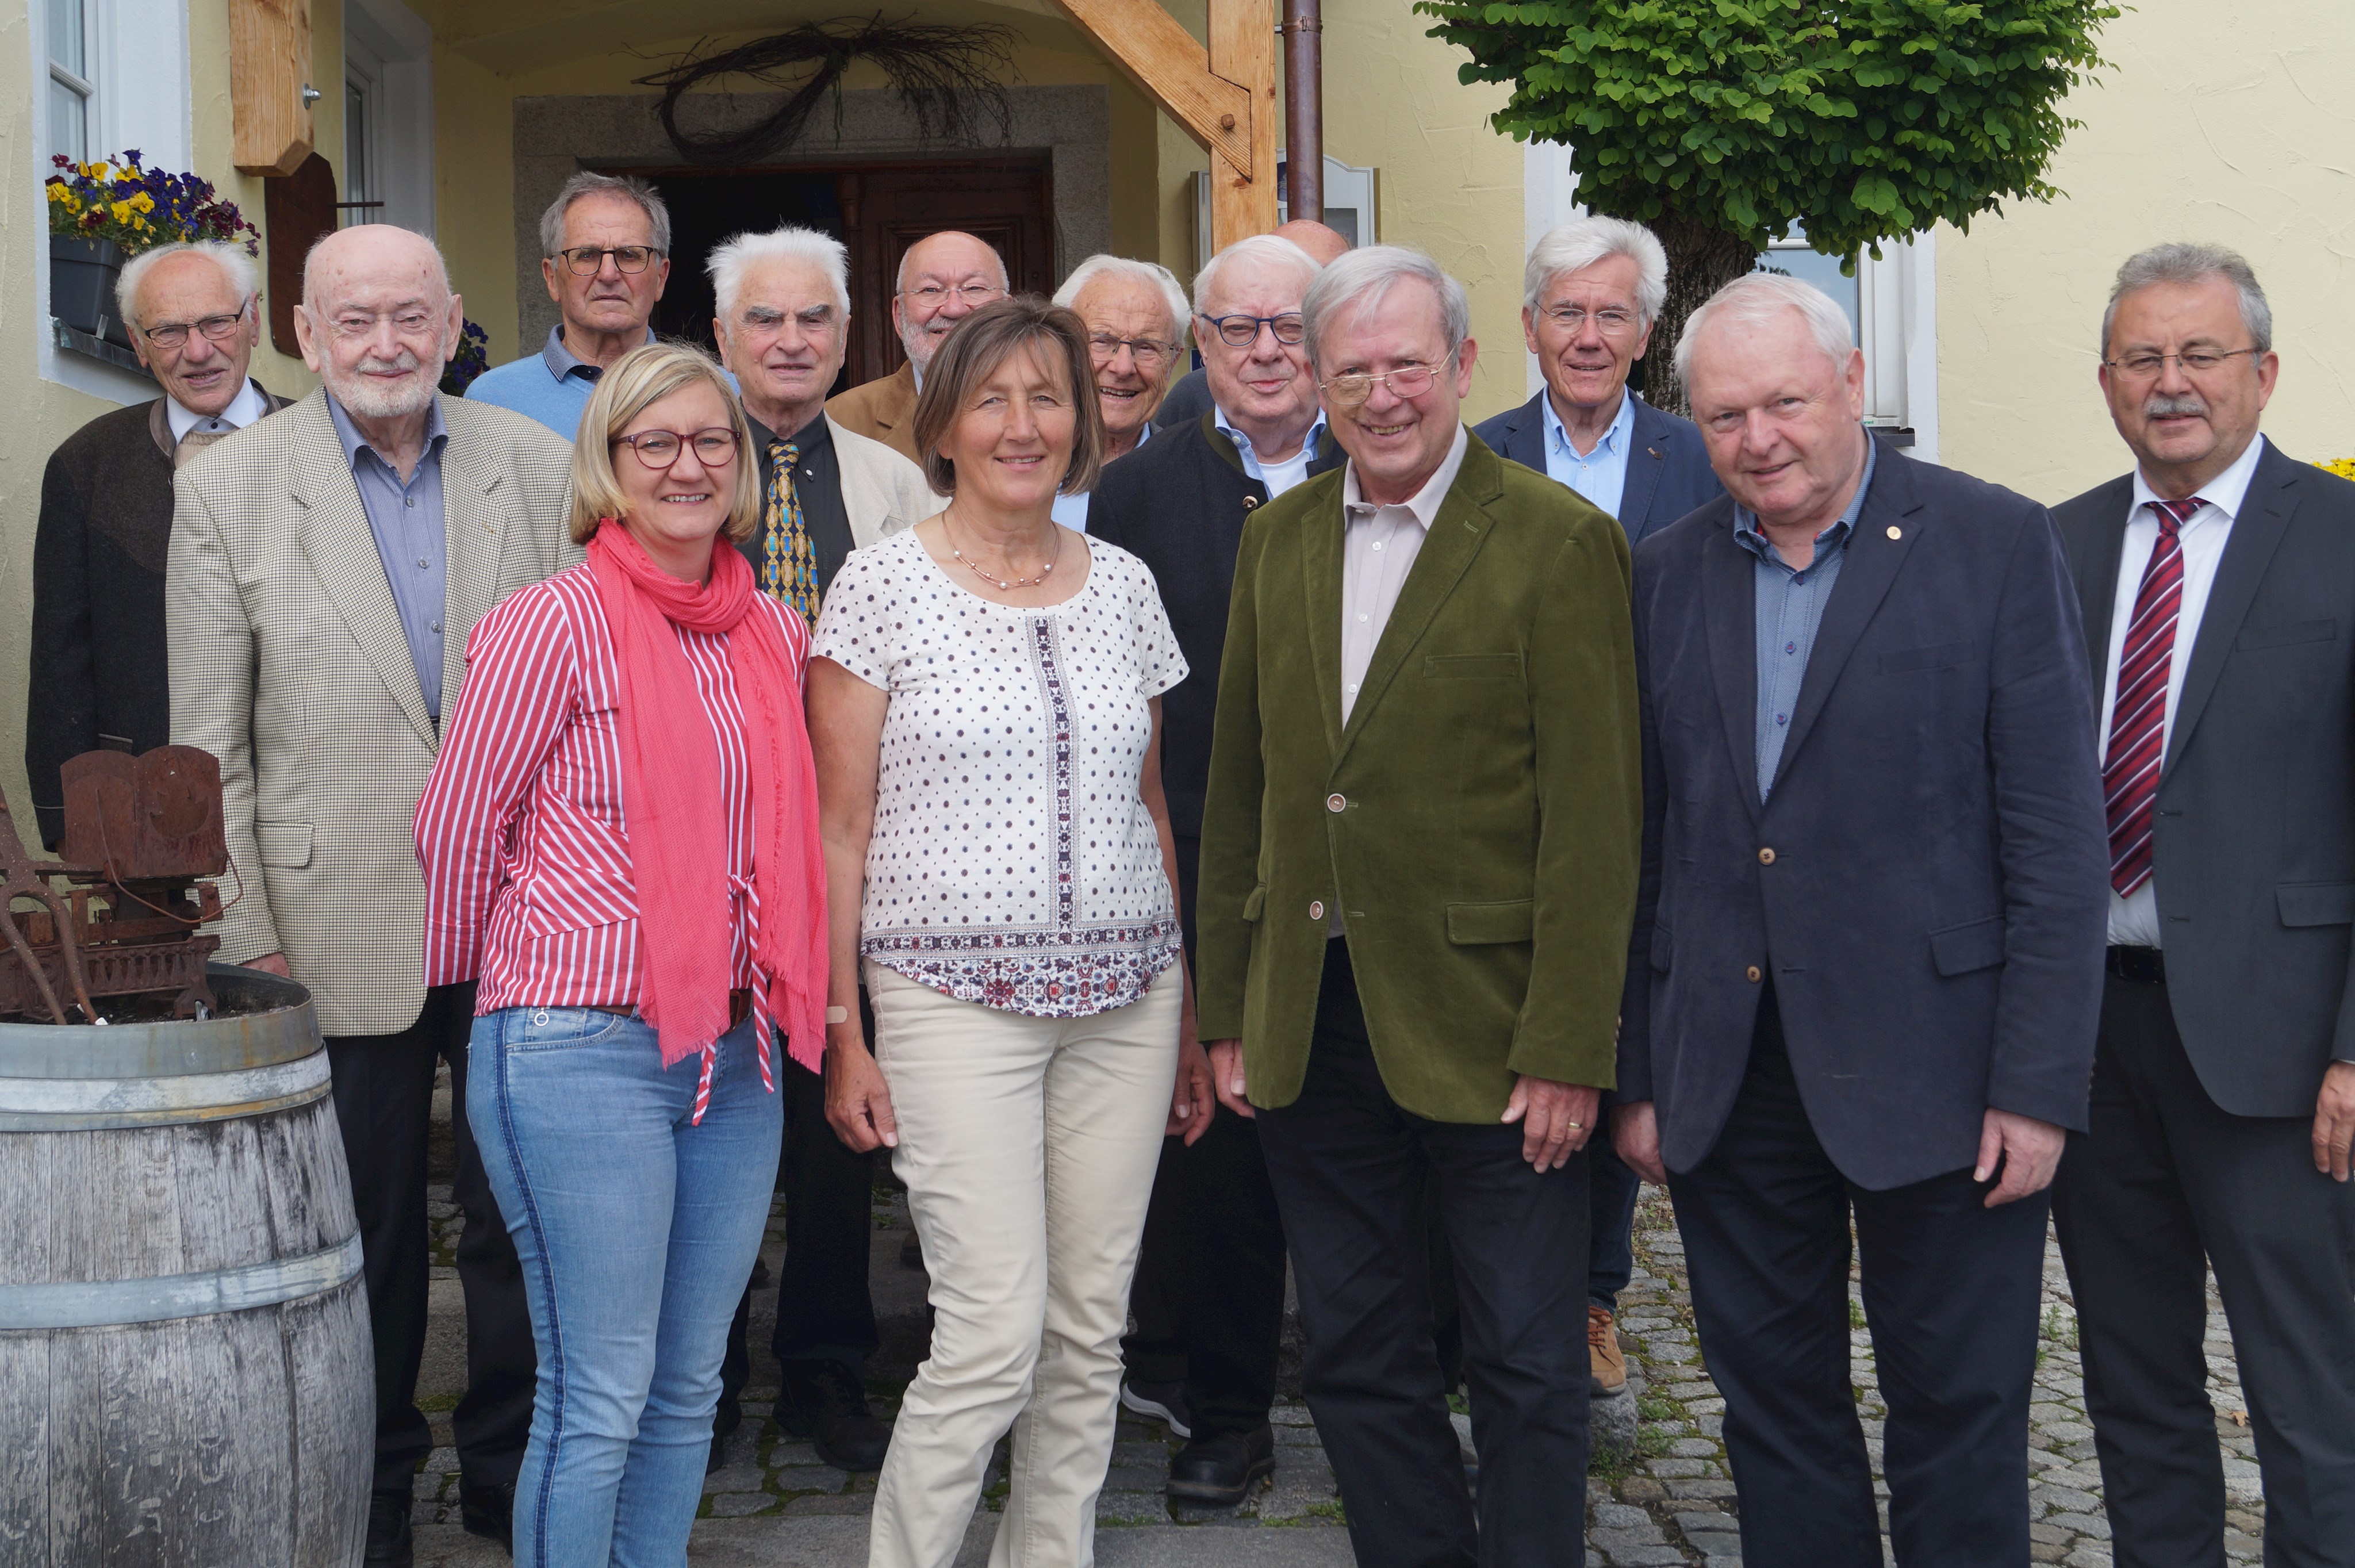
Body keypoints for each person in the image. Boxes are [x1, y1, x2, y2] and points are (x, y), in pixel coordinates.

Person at [1611, 273, 2109, 1568]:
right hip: (1733, 1067)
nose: (1756, 437)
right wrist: (1640, 1071)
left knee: (1957, 1407)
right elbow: (1644, 842)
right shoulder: (1661, 575)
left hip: (1943, 1068)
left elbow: (2057, 837)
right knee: (1772, 1413)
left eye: (1782, 401)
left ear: (1850, 388)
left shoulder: (1994, 541)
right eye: (1722, 415)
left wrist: (2039, 1082)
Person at [1194, 245, 1642, 1568]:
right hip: (1311, 1024)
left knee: (1520, 1351)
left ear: (1461, 366)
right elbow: (1247, 792)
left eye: (1406, 365)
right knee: (1353, 1351)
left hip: (1499, 1034)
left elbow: (1596, 816)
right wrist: (1230, 1012)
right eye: (1353, 372)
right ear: (1318, 387)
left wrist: (1570, 1042)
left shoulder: (1561, 540)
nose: (1380, 395)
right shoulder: (1274, 541)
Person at [167, 225, 578, 1568]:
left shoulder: (540, 467)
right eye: (357, 321)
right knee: (366, 1229)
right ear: (303, 328)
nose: (387, 343)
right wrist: (244, 936)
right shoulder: (228, 487)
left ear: (457, 318)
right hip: (328, 916)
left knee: (526, 1216)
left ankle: (514, 1474)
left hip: (530, 912)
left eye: (412, 314)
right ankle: (378, 1484)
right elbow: (207, 743)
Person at [807, 296, 1209, 1567]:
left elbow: (1147, 801)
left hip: (1128, 999)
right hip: (944, 1001)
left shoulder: (1125, 587)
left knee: (1089, 1327)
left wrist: (1190, 1014)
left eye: (1048, 397)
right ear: (942, 425)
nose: (1022, 425)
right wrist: (839, 1028)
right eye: (991, 399)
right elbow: (838, 829)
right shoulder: (881, 583)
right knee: (986, 1331)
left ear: (1084, 422)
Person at [415, 339, 825, 1567]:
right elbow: (456, 823)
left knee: (691, 1383)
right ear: (610, 463)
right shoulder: (548, 623)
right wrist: (530, 982)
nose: (687, 465)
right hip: (574, 1043)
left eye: (711, 441)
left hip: (735, 1052)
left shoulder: (771, 633)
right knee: (599, 1389)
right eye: (656, 442)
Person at [2048, 243, 2355, 1568]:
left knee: (2316, 1392)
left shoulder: (2343, 538)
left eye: (2199, 354)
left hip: (2286, 1052)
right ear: (2108, 381)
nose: (2170, 384)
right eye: (2141, 358)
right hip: (2091, 1043)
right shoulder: (2050, 545)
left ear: (2264, 371)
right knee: (2132, 1382)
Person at [1087, 229, 1342, 1506]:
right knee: (1224, 1163)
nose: (1262, 351)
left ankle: (1376, 1412)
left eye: (1287, 325)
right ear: (1203, 348)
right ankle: (1225, 1414)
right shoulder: (1137, 491)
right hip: (1208, 865)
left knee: (1358, 1157)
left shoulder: (1389, 459)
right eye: (1234, 329)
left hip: (1364, 872)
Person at [1471, 214, 1721, 1398]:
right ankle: (1495, 1294)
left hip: (1663, 787)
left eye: (1608, 313)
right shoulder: (1471, 456)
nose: (1585, 334)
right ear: (1527, 327)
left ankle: (1591, 1296)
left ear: (1645, 330)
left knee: (1620, 1037)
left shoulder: (1697, 458)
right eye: (1563, 311)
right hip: (1507, 800)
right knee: (1514, 1038)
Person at [701, 224, 936, 1474]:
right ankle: (711, 1372)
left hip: (856, 846)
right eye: (763, 320)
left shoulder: (895, 481)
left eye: (813, 322)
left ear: (847, 336)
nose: (790, 341)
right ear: (725, 336)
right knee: (715, 1119)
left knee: (838, 1119)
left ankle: (828, 1371)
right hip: (714, 848)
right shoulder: (679, 461)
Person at [26, 240, 287, 849]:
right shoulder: (85, 465)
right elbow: (61, 658)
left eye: (216, 323)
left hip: (306, 806)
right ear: (137, 344)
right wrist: (72, 824)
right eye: (168, 331)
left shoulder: (327, 447)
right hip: (143, 811)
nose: (198, 352)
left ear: (253, 320)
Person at [467, 172, 670, 437]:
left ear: (661, 278)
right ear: (552, 278)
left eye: (630, 255)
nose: (608, 274)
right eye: (586, 255)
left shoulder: (716, 392)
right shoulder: (493, 401)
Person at [824, 230, 1008, 463]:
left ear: (1009, 310)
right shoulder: (838, 423)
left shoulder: (1049, 414)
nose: (954, 309)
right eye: (930, 290)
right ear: (899, 315)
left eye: (974, 289)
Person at [1156, 218, 1350, 431]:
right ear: (1203, 338)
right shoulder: (1189, 401)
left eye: (1292, 326)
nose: (1266, 351)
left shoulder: (1369, 424)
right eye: (1240, 328)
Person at [1045, 254, 1189, 530]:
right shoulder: (1014, 466)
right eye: (1102, 341)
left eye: (1147, 347)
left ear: (1172, 362)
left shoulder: (1194, 478)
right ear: (1060, 348)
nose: (1123, 368)